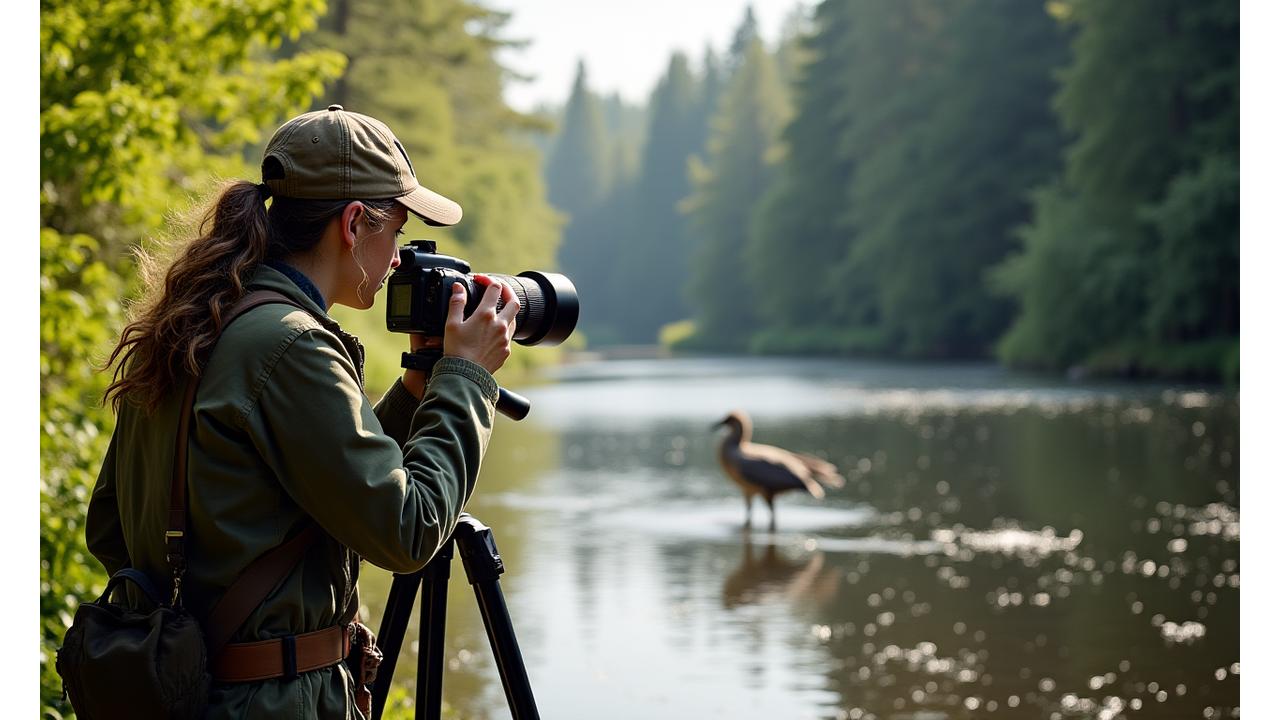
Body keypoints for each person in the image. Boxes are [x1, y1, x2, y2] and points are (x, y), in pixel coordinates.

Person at [85, 105, 518, 719]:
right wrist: (467, 377)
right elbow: (409, 531)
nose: (398, 256)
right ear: (352, 224)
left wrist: (421, 386)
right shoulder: (291, 343)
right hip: (267, 702)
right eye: (395, 228)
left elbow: (110, 528)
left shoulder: (196, 324)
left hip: (185, 693)